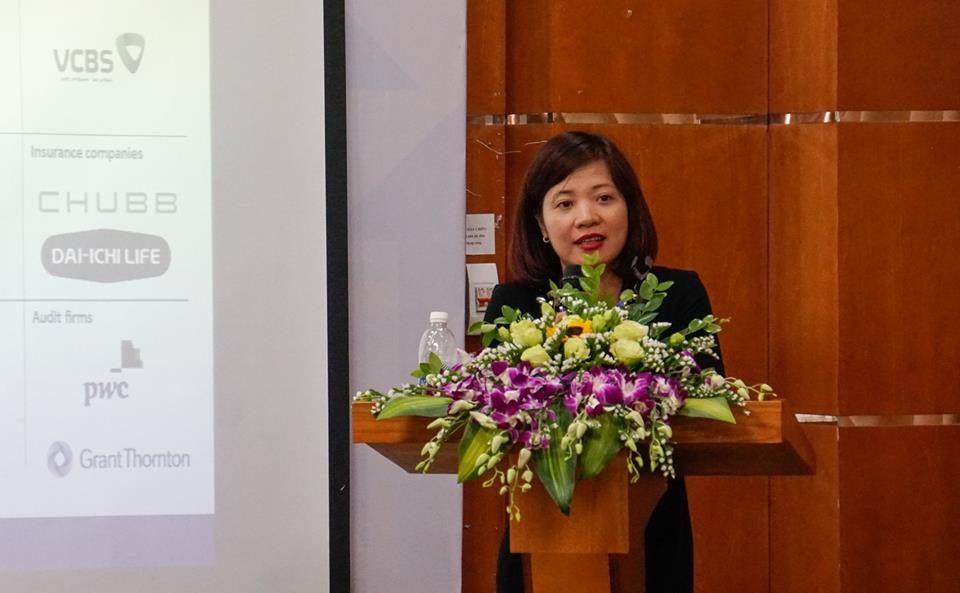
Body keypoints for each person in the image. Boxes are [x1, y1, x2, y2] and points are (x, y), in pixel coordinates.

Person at [484, 131, 724, 593]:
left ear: (629, 208)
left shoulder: (678, 295)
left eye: (603, 198)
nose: (586, 217)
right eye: (564, 203)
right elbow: (495, 412)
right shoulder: (514, 304)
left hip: (653, 535)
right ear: (540, 223)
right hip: (541, 540)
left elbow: (712, 404)